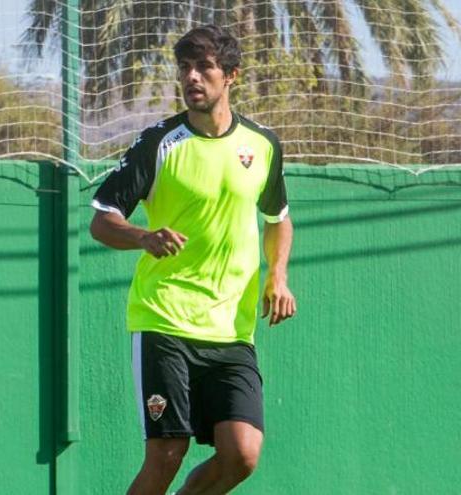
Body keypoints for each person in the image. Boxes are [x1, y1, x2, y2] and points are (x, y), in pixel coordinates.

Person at [89, 25, 296, 495]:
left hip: (232, 330)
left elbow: (278, 218)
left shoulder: (262, 146)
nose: (192, 77)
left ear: (232, 76)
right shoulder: (157, 144)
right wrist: (143, 237)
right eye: (184, 67)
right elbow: (102, 219)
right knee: (167, 453)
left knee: (241, 455)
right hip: (166, 319)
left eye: (204, 67)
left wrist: (278, 276)